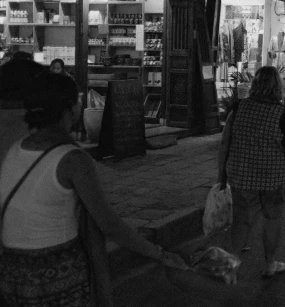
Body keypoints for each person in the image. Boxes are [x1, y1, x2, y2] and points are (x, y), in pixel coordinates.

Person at [0, 73, 187, 306]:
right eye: (78, 100)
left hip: (12, 272)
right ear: (70, 109)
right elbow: (109, 224)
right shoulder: (73, 159)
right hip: (55, 272)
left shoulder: (15, 150)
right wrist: (159, 253)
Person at [218, 66, 285, 279]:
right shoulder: (282, 114)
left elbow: (225, 142)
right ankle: (270, 264)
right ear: (277, 87)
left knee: (241, 220)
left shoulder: (239, 108)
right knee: (272, 218)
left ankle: (230, 268)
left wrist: (221, 175)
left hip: (241, 173)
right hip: (273, 176)